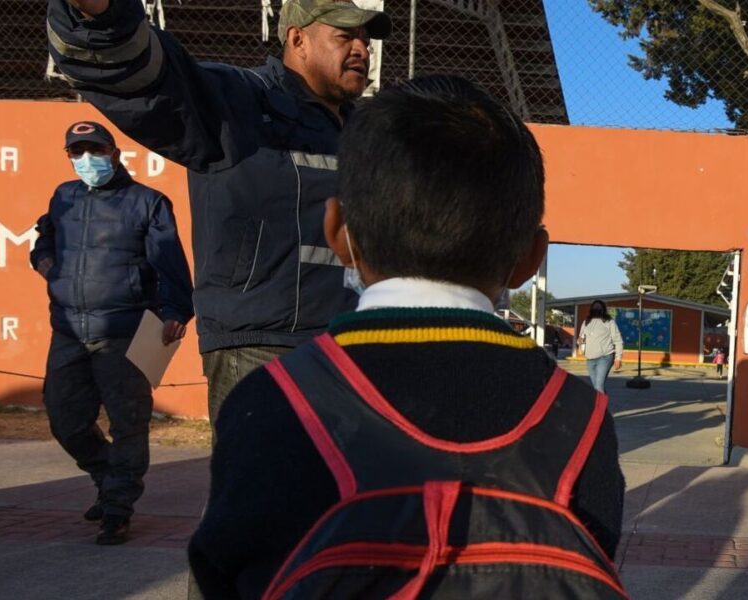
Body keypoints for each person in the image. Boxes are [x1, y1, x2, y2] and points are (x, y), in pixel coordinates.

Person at [187, 76, 626, 598]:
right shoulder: (579, 418)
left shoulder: (274, 400)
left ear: (337, 232)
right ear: (531, 259)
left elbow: (227, 574)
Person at [47, 0, 392, 425]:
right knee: (259, 488)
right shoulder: (237, 101)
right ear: (297, 39)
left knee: (339, 489)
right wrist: (100, 18)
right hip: (262, 349)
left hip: (347, 346)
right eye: (344, 36)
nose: (361, 48)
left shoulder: (368, 132)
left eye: (365, 39)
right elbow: (142, 80)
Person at [30, 121, 194, 545]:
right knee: (64, 419)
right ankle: (107, 478)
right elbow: (42, 240)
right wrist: (46, 263)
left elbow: (169, 262)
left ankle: (118, 507)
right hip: (67, 328)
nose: (87, 159)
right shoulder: (63, 197)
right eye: (77, 152)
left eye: (95, 149)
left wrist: (176, 309)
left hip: (124, 330)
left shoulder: (148, 202)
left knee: (129, 424)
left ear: (114, 151)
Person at [578, 299, 624, 393]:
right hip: (590, 358)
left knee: (598, 387)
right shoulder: (586, 322)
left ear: (603, 309)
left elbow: (618, 340)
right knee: (597, 387)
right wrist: (580, 343)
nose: (596, 308)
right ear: (591, 309)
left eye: (599, 307)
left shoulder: (609, 322)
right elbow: (581, 338)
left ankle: (600, 407)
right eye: (595, 306)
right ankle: (604, 406)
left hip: (605, 357)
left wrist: (618, 358)